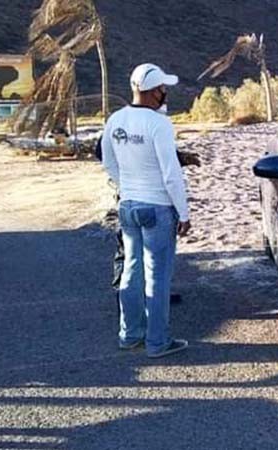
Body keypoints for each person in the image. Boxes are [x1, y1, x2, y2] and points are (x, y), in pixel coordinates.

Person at [100, 63, 192, 358]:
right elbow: (171, 174)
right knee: (157, 277)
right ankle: (157, 341)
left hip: (128, 205)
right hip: (157, 208)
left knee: (131, 270)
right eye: (164, 88)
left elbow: (107, 160)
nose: (166, 93)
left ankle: (129, 334)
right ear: (154, 92)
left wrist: (125, 186)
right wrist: (184, 212)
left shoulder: (116, 119)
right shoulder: (159, 124)